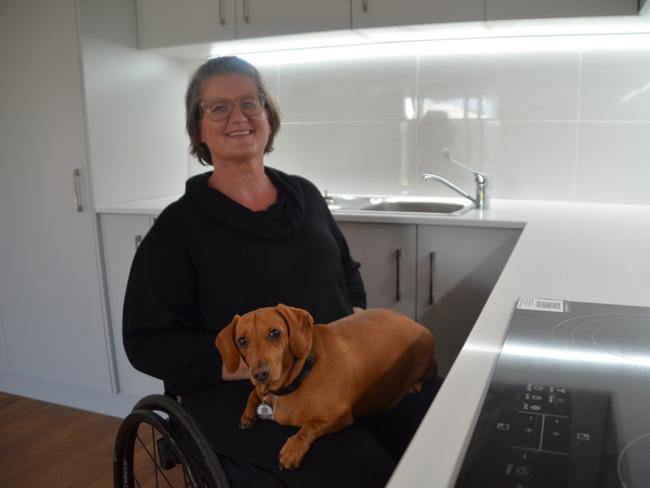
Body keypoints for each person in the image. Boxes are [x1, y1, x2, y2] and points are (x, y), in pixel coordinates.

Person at [123, 56, 439, 488]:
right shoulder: (178, 229)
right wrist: (256, 365)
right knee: (366, 473)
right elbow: (147, 341)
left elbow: (347, 271)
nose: (238, 116)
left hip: (344, 375)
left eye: (250, 102)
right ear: (198, 128)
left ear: (268, 116)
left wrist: (355, 339)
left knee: (437, 432)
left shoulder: (305, 196)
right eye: (218, 107)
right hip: (246, 394)